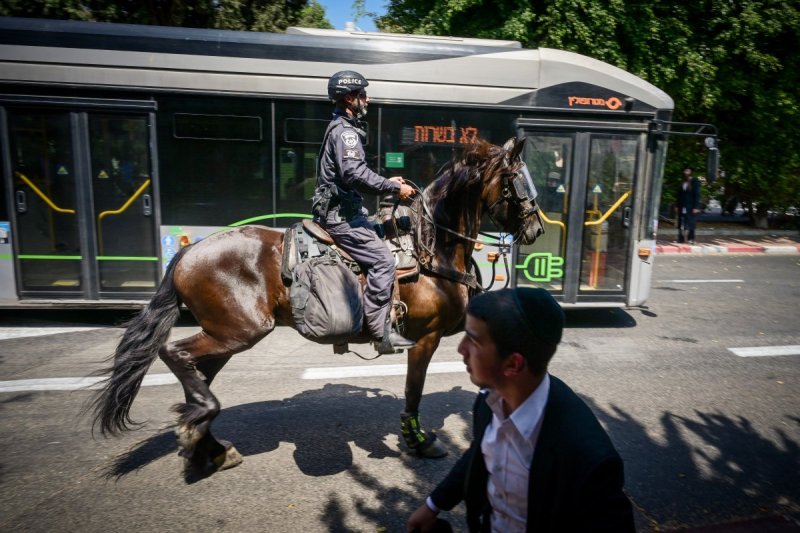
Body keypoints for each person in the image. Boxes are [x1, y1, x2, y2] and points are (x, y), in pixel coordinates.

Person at [407, 288, 635, 533]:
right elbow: (482, 453)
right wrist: (433, 505)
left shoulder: (588, 458)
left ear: (513, 364)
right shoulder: (488, 401)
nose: (461, 349)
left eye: (473, 340)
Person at [312, 70, 417, 355]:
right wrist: (394, 189)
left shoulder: (341, 126)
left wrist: (388, 182)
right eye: (362, 94)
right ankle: (379, 332)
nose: (366, 99)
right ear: (349, 98)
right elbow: (354, 174)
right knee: (384, 261)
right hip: (342, 218)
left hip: (344, 213)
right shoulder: (345, 132)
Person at [675, 166, 701, 244]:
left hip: (690, 206)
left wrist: (696, 207)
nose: (686, 172)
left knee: (691, 222)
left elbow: (697, 194)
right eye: (685, 171)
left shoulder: (694, 181)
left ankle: (691, 239)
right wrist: (677, 205)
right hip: (682, 205)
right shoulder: (682, 182)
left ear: (691, 172)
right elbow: (679, 195)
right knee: (680, 222)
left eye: (688, 171)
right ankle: (680, 238)